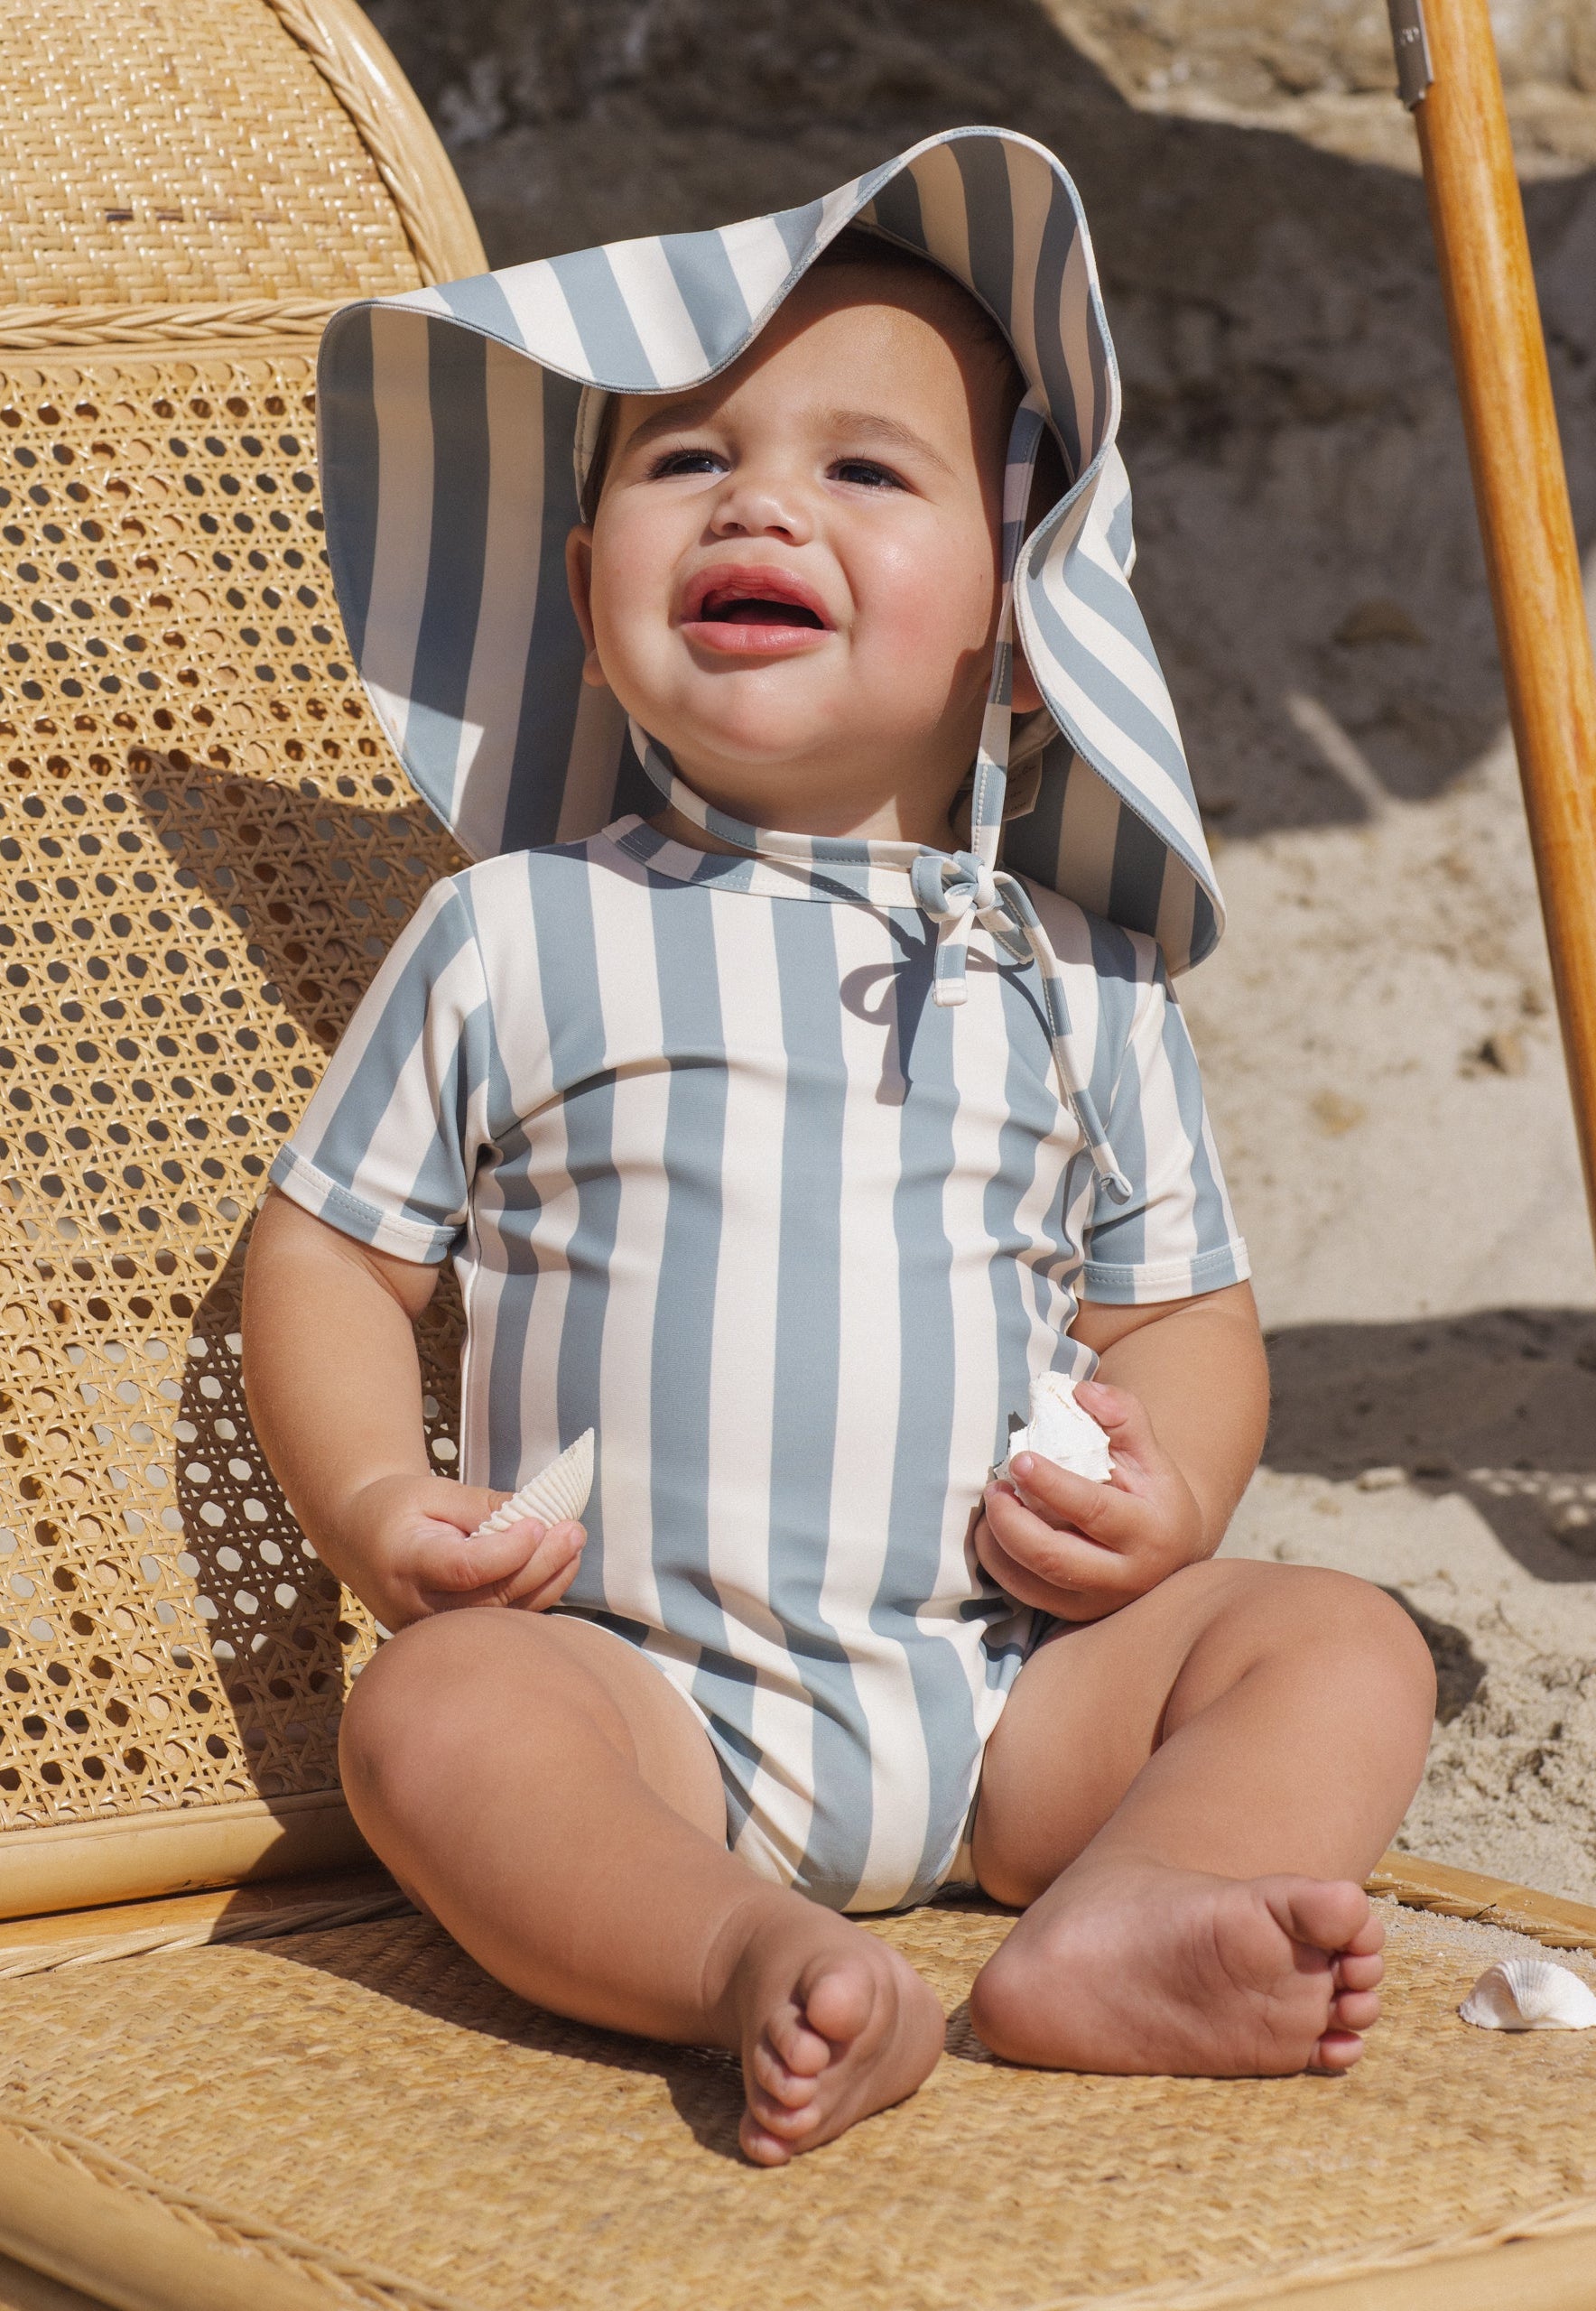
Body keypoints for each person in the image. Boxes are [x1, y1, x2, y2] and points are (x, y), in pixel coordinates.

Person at [243, 128, 1435, 2167]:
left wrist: (1173, 1491)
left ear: (1014, 593)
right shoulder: (522, 929)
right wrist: (373, 1494)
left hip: (1003, 1703)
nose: (763, 494)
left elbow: (1187, 1321)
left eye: (865, 469)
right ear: (584, 583)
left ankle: (1125, 1911)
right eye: (687, 459)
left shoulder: (1079, 975)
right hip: (631, 1700)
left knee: (1335, 1640)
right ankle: (746, 1953)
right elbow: (333, 1260)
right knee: (429, 1720)